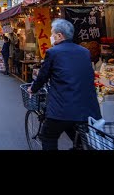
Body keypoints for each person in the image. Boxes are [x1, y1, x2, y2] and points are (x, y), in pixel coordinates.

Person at [28, 18, 102, 150]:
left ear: (59, 35)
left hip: (61, 108)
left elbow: (43, 76)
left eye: (52, 34)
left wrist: (33, 89)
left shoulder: (53, 52)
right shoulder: (85, 51)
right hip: (87, 109)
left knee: (48, 136)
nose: (51, 37)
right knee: (79, 138)